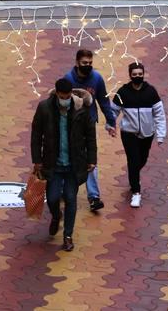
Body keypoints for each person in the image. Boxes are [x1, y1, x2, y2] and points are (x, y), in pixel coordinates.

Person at [30, 77, 97, 252]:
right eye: (62, 96)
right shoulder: (45, 108)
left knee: (70, 198)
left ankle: (68, 235)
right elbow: (36, 135)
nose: (65, 99)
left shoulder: (81, 109)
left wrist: (92, 159)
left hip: (74, 165)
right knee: (52, 198)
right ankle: (55, 216)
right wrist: (37, 159)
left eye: (67, 96)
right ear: (57, 93)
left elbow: (90, 135)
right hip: (53, 164)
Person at [65, 49, 117, 213]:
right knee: (67, 155)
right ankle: (61, 189)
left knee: (90, 158)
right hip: (70, 124)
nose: (87, 66)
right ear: (77, 63)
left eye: (90, 63)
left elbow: (103, 100)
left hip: (89, 123)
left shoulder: (96, 78)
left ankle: (94, 197)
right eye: (84, 63)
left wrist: (111, 121)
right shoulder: (68, 79)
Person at [112, 61, 167, 207]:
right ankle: (136, 192)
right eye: (134, 74)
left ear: (143, 74)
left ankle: (133, 177)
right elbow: (113, 111)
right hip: (129, 133)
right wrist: (110, 125)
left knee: (142, 159)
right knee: (133, 160)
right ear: (130, 75)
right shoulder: (122, 92)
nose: (137, 76)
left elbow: (159, 114)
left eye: (140, 74)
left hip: (147, 134)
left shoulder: (151, 92)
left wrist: (161, 134)